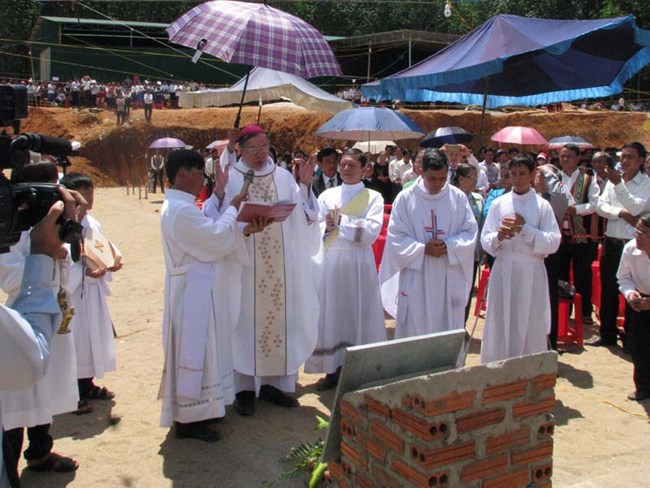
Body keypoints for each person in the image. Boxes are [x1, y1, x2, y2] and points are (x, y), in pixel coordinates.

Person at [203, 125, 320, 417]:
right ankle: (243, 389)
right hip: (243, 265)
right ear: (240, 148)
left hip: (280, 266)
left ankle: (275, 385)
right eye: (253, 149)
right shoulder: (230, 176)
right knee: (242, 321)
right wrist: (220, 194)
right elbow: (215, 216)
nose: (260, 154)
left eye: (265, 147)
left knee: (281, 319)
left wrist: (304, 185)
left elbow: (304, 217)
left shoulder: (282, 177)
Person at [158, 149, 267, 442]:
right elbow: (216, 238)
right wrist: (233, 207)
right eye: (198, 174)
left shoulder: (180, 206)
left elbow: (210, 235)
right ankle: (189, 419)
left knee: (204, 350)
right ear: (182, 174)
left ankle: (202, 410)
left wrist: (243, 230)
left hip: (196, 284)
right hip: (192, 290)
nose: (201, 180)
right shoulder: (180, 210)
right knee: (196, 350)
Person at [1, 164, 81, 484]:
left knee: (42, 394)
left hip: (45, 311)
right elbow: (11, 278)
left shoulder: (43, 226)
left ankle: (40, 450)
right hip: (22, 317)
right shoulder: (11, 230)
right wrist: (43, 257)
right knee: (16, 399)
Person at [305, 148, 386, 391]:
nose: (346, 169)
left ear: (364, 169)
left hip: (357, 263)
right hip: (331, 260)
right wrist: (326, 226)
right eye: (343, 164)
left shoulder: (373, 197)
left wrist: (342, 222)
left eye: (352, 165)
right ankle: (332, 369)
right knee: (332, 313)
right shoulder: (327, 195)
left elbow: (371, 231)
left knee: (355, 313)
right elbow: (314, 225)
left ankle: (357, 369)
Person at [379, 148, 478, 338]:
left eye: (442, 178)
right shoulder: (406, 199)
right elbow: (395, 237)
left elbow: (470, 232)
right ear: (421, 171)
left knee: (445, 329)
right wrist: (422, 249)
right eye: (432, 178)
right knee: (416, 330)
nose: (437, 184)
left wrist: (448, 246)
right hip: (417, 275)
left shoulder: (457, 198)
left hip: (447, 274)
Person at [480, 155, 561, 363]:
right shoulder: (499, 203)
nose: (516, 178)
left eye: (522, 173)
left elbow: (553, 241)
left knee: (529, 320)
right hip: (504, 267)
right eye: (512, 174)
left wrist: (524, 228)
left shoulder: (542, 206)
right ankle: (497, 367)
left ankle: (528, 370)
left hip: (531, 269)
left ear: (533, 173)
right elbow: (485, 238)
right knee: (501, 318)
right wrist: (499, 236)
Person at [60, 173, 122, 408]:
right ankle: (71, 393)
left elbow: (98, 247)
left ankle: (86, 384)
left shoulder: (92, 222)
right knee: (74, 340)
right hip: (73, 292)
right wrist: (82, 272)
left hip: (92, 292)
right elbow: (62, 259)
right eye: (83, 194)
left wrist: (111, 260)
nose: (89, 198)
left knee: (91, 339)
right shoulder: (61, 224)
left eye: (91, 192)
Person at [591, 142, 650, 347]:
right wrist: (621, 213)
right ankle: (607, 333)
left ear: (641, 160)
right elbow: (601, 207)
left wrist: (619, 187)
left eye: (629, 157)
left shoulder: (645, 184)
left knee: (632, 290)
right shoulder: (613, 181)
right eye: (622, 157)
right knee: (608, 289)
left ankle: (630, 337)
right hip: (612, 241)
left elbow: (636, 208)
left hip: (634, 245)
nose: (624, 161)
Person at [557, 144, 600, 326]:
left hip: (581, 235)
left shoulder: (588, 178)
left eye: (568, 157)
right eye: (562, 156)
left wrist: (577, 210)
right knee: (560, 274)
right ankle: (563, 312)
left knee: (583, 274)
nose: (564, 160)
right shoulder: (554, 177)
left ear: (577, 158)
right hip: (559, 235)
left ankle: (584, 313)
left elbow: (595, 204)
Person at [617, 214, 650, 401]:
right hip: (639, 301)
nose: (638, 236)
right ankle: (643, 388)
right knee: (639, 346)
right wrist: (630, 294)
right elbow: (623, 277)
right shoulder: (630, 249)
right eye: (637, 231)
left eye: (643, 233)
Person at [451, 163, 485, 322]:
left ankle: (461, 325)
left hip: (473, 256)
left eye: (476, 178)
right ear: (462, 179)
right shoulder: (450, 198)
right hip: (453, 254)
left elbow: (482, 226)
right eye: (472, 178)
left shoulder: (478, 200)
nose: (475, 182)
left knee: (467, 291)